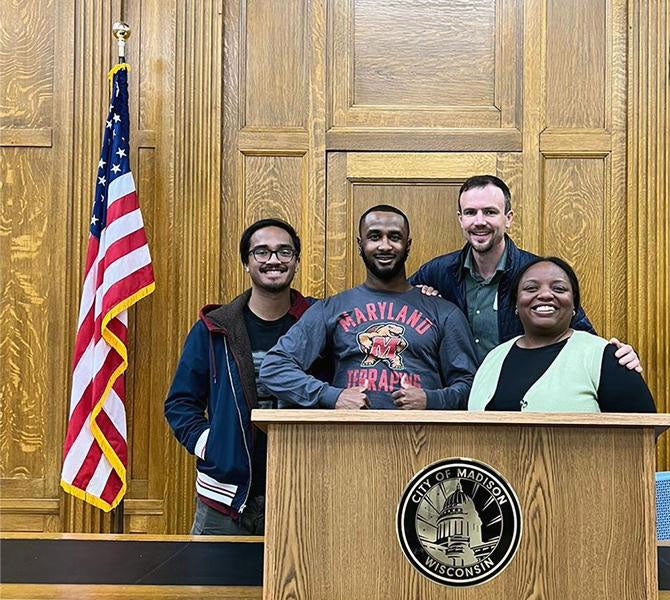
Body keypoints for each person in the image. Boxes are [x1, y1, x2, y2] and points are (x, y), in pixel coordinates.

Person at [165, 218, 318, 535]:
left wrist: (425, 292)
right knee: (210, 586)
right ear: (246, 262)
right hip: (225, 499)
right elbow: (180, 403)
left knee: (298, 586)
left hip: (304, 494)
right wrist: (211, 444)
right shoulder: (214, 328)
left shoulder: (320, 321)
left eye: (284, 252)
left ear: (297, 262)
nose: (273, 260)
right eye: (261, 252)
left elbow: (376, 300)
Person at [409, 175, 641, 370]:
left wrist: (616, 359)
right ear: (460, 220)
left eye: (490, 212)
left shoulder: (538, 275)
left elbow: (579, 333)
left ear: (508, 218)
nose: (479, 221)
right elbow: (394, 303)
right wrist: (417, 296)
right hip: (458, 403)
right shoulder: (438, 271)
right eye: (470, 212)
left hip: (519, 401)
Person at [260, 205, 477, 410]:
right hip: (350, 442)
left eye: (394, 237)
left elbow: (472, 387)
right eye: (374, 237)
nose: (384, 245)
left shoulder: (444, 312)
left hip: (421, 441)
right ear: (360, 243)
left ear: (408, 245)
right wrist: (332, 397)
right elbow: (274, 368)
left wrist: (432, 399)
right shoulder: (332, 308)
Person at [468, 257, 656, 413]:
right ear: (516, 304)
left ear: (574, 305)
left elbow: (642, 437)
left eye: (558, 289)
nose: (545, 295)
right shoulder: (493, 358)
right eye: (531, 288)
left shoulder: (607, 357)